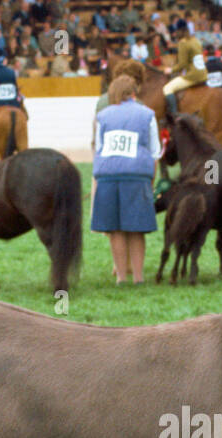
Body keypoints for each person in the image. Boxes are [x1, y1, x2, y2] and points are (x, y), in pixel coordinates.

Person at [91, 74, 159, 284]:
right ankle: (138, 278)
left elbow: (99, 148)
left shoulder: (102, 115)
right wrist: (151, 180)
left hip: (108, 177)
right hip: (136, 176)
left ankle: (121, 278)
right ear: (134, 93)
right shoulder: (148, 114)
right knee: (136, 229)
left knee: (115, 229)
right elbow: (155, 151)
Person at [163, 24, 207, 121]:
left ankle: (174, 115)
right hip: (203, 73)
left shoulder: (183, 43)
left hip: (194, 75)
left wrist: (170, 70)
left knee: (167, 88)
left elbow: (182, 64)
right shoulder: (195, 40)